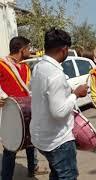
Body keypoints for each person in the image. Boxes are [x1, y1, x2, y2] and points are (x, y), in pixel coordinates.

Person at [30, 28, 88, 179]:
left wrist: (68, 91)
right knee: (67, 176)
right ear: (63, 49)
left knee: (56, 173)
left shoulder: (38, 67)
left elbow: (45, 93)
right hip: (58, 141)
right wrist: (76, 94)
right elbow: (59, 112)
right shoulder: (55, 74)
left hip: (41, 136)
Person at [0, 36, 48, 180]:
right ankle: (6, 177)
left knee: (31, 142)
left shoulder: (26, 67)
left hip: (27, 110)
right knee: (10, 147)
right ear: (22, 50)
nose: (30, 50)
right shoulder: (2, 64)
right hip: (11, 113)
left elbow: (29, 88)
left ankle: (33, 169)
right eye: (28, 48)